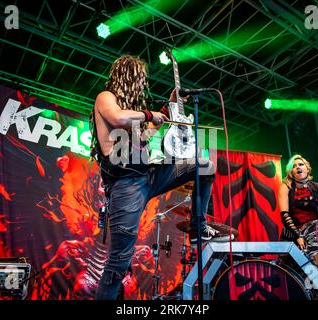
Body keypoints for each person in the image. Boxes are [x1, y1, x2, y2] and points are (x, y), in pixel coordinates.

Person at [90, 55, 227, 300]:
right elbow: (118, 118)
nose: (143, 85)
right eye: (140, 79)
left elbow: (143, 136)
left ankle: (198, 226)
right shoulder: (106, 98)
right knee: (118, 264)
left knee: (204, 165)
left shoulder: (133, 116)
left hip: (149, 175)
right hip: (125, 187)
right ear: (129, 77)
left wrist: (167, 108)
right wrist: (149, 113)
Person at [278, 154, 318, 250]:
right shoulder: (286, 187)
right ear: (291, 173)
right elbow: (284, 214)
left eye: (301, 164)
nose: (297, 167)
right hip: (292, 233)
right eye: (294, 166)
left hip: (314, 234)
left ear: (307, 169)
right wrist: (298, 236)